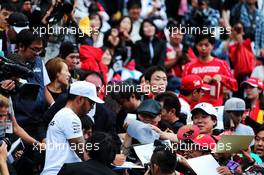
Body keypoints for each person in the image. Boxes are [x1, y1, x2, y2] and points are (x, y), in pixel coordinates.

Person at [41, 81, 104, 175]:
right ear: (80, 99)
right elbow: (83, 152)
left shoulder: (64, 114)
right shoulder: (70, 117)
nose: (92, 107)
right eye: (91, 102)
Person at [182, 33, 238, 106]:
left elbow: (235, 86)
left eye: (206, 45)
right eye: (200, 45)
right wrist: (200, 82)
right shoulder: (189, 66)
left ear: (212, 45)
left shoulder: (222, 64)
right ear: (196, 46)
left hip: (216, 108)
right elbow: (182, 89)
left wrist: (222, 78)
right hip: (194, 109)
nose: (203, 48)